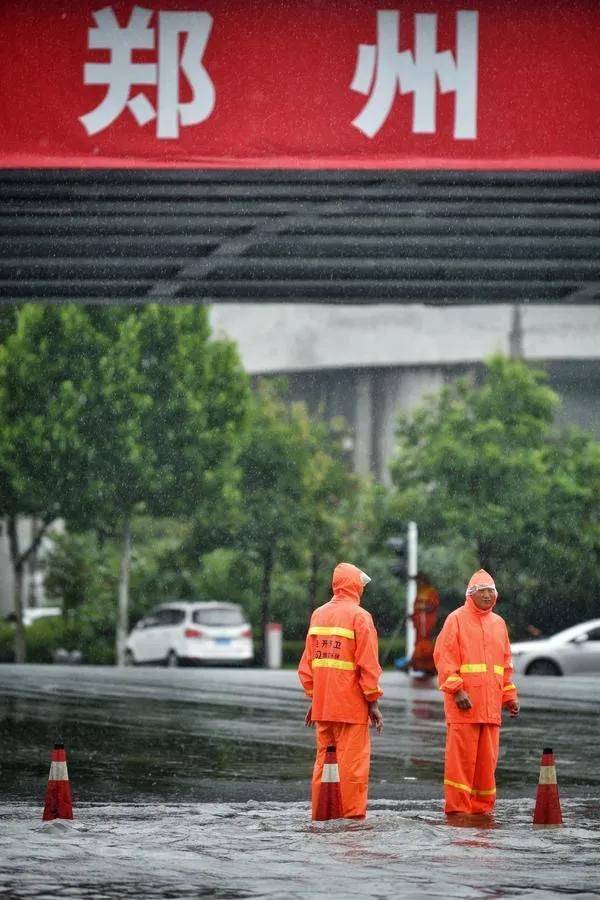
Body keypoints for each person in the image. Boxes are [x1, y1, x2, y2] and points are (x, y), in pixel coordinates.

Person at [298, 562, 384, 820]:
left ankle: (323, 814)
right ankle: (353, 820)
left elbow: (309, 665)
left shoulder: (318, 615)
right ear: (355, 585)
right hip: (351, 709)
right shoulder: (360, 616)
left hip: (324, 708)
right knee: (353, 769)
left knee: (325, 766)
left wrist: (316, 698)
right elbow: (367, 664)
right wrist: (373, 703)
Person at [433, 569, 519, 816]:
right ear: (470, 594)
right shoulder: (456, 619)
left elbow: (504, 666)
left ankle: (481, 811)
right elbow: (444, 658)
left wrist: (509, 697)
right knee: (461, 764)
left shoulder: (498, 624)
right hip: (464, 708)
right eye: (482, 591)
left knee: (485, 766)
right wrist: (456, 690)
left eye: (491, 591)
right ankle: (458, 811)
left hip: (490, 710)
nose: (487, 595)